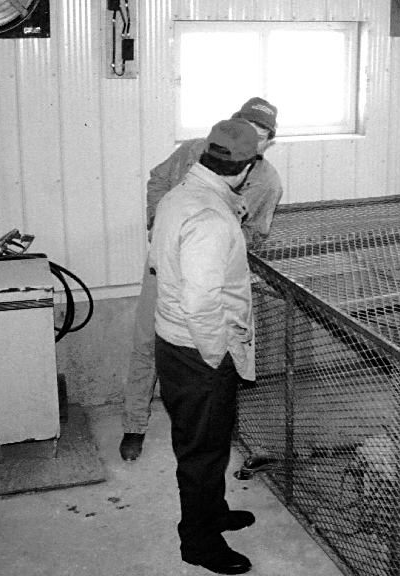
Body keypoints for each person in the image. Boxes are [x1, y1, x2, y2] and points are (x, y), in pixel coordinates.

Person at [120, 98, 282, 461]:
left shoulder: (268, 181)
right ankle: (134, 423)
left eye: (260, 136)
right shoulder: (196, 150)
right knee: (147, 340)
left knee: (208, 359)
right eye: (244, 128)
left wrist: (233, 223)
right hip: (165, 268)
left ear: (268, 142)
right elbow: (159, 180)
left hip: (212, 280)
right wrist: (158, 224)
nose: (250, 140)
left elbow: (258, 233)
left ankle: (209, 432)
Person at [151, 118, 262, 574]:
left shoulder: (179, 195)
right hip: (200, 351)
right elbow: (201, 303)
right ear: (246, 167)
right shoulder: (212, 219)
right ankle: (198, 541)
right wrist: (217, 359)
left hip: (175, 341)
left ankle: (213, 511)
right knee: (201, 451)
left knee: (210, 443)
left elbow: (158, 262)